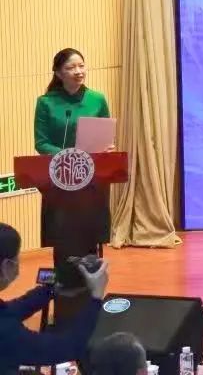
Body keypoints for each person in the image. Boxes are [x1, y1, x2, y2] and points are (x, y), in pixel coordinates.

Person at [33, 48, 112, 312]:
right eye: (70, 67)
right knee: (64, 241)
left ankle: (92, 300)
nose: (78, 71)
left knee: (89, 241)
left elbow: (105, 136)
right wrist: (69, 156)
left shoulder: (97, 99)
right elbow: (41, 142)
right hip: (60, 183)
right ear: (58, 73)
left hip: (91, 183)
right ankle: (64, 303)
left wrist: (106, 148)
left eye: (81, 66)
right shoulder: (46, 103)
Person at [0, 222, 110, 375]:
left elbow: (11, 311)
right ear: (6, 266)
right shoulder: (7, 332)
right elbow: (68, 346)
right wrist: (96, 295)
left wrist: (50, 289)